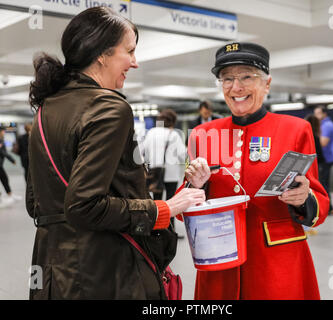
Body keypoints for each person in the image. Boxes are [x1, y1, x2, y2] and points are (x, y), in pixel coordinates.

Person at [26, 7, 205, 300]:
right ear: (101, 53)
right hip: (105, 269)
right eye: (130, 51)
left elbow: (35, 204)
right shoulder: (108, 107)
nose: (134, 63)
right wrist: (166, 209)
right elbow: (83, 205)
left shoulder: (46, 109)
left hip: (52, 268)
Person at [182, 42, 329, 300]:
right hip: (219, 262)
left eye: (246, 77)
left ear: (267, 84)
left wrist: (304, 199)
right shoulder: (202, 134)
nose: (236, 87)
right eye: (227, 78)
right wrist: (195, 187)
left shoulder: (296, 129)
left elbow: (319, 201)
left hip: (277, 263)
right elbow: (183, 208)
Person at [143, 109, 186, 233]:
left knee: (157, 202)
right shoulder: (173, 135)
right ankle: (170, 230)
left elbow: (143, 151)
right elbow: (182, 154)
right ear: (172, 122)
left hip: (155, 172)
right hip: (171, 174)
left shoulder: (151, 133)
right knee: (171, 202)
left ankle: (157, 229)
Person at [314, 105, 333, 215]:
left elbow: (323, 143)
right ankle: (329, 207)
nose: (316, 116)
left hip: (326, 159)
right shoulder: (322, 125)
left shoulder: (327, 125)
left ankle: (328, 208)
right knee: (323, 183)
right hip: (324, 159)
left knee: (323, 184)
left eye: (318, 113)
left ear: (324, 114)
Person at [304, 114, 324, 236]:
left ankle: (306, 226)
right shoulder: (315, 137)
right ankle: (307, 226)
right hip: (312, 170)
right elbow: (319, 155)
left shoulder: (303, 136)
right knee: (310, 197)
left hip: (303, 170)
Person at [0, 126, 19, 205]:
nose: (4, 132)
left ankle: (10, 194)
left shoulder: (1, 140)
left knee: (5, 179)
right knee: (4, 178)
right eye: (3, 131)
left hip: (0, 164)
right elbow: (3, 152)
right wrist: (12, 160)